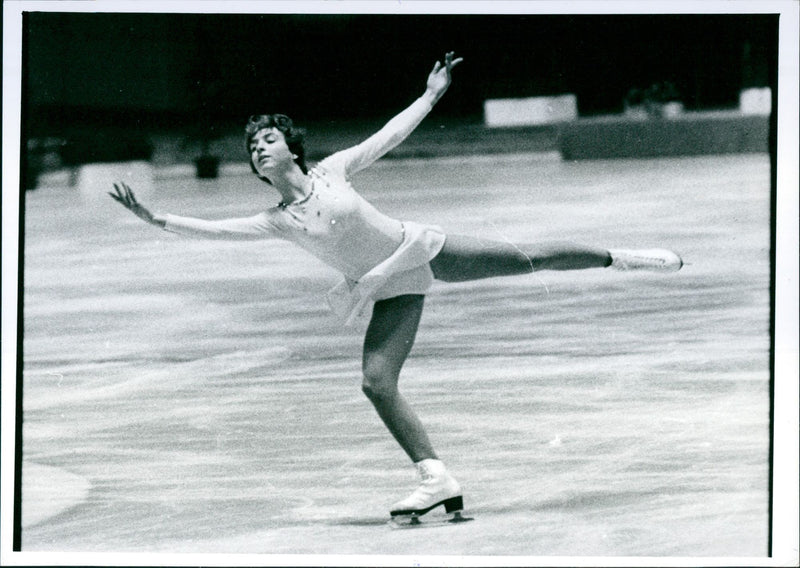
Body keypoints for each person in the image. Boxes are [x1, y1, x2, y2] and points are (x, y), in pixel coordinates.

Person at [110, 52, 682, 522]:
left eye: (268, 138)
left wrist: (431, 95)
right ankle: (436, 477)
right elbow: (217, 231)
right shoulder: (276, 219)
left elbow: (388, 135)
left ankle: (623, 257)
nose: (259, 145)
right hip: (388, 288)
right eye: (254, 144)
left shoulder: (333, 170)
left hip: (420, 250)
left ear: (292, 148)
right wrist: (154, 219)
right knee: (376, 382)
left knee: (533, 257)